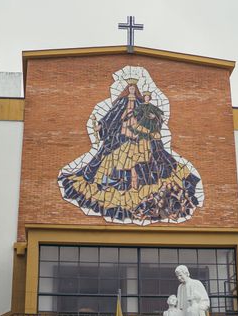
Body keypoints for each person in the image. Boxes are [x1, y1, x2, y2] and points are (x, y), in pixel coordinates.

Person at [58, 77, 201, 223]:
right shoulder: (121, 103)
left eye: (134, 89)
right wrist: (100, 126)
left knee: (144, 166)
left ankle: (138, 191)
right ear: (127, 90)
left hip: (140, 139)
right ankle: (120, 190)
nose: (132, 91)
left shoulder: (142, 105)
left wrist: (151, 121)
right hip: (123, 138)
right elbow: (111, 116)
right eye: (130, 89)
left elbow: (155, 119)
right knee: (113, 163)